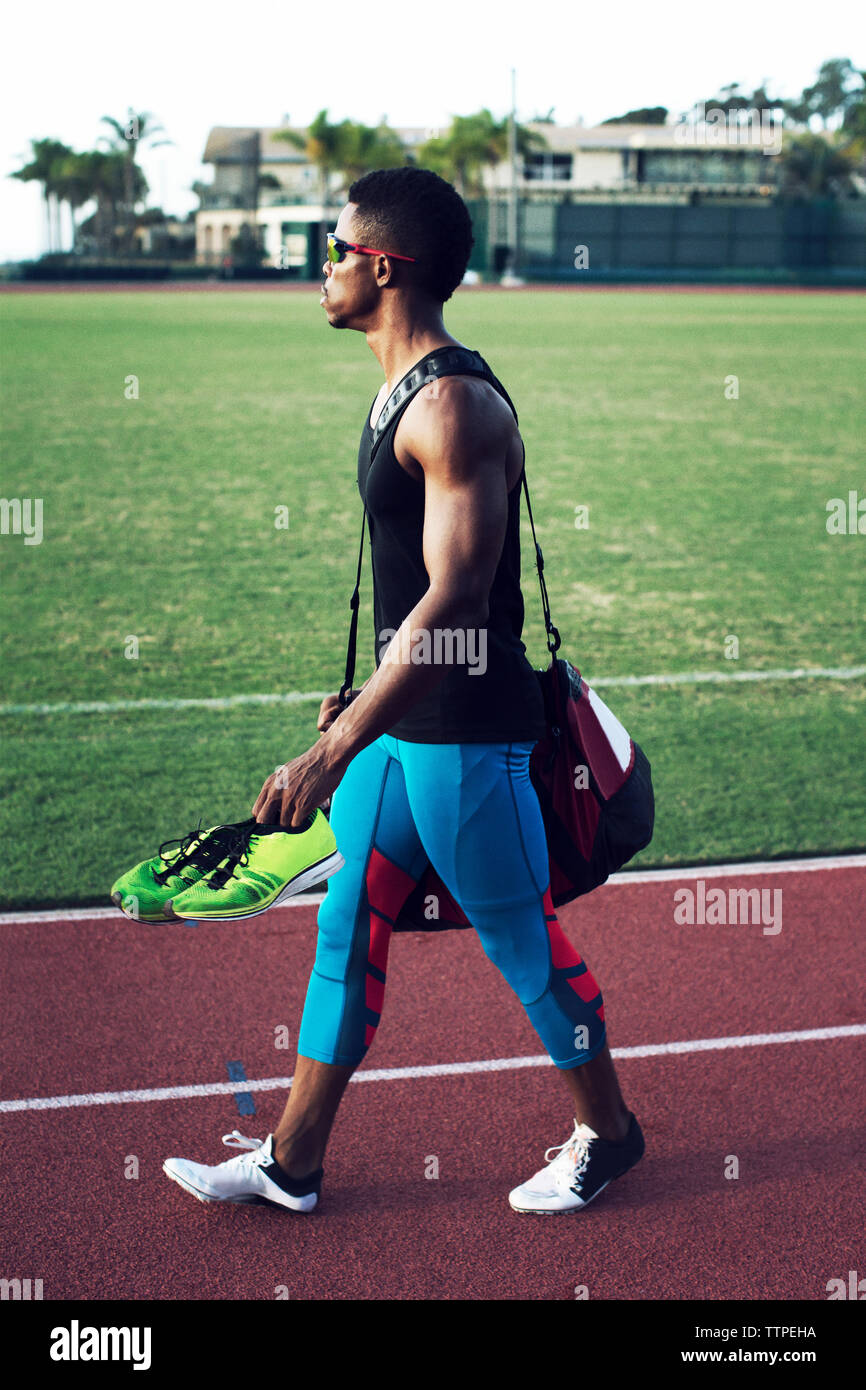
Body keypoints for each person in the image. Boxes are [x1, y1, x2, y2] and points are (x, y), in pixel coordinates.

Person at [163, 167, 644, 1216]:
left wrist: (327, 754)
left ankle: (607, 1132)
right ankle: (292, 1160)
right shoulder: (398, 393)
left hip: (468, 738)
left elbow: (457, 602)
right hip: (401, 733)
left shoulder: (456, 405)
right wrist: (356, 714)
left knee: (521, 942)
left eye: (332, 252)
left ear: (382, 268)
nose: (322, 268)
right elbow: (405, 597)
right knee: (347, 923)